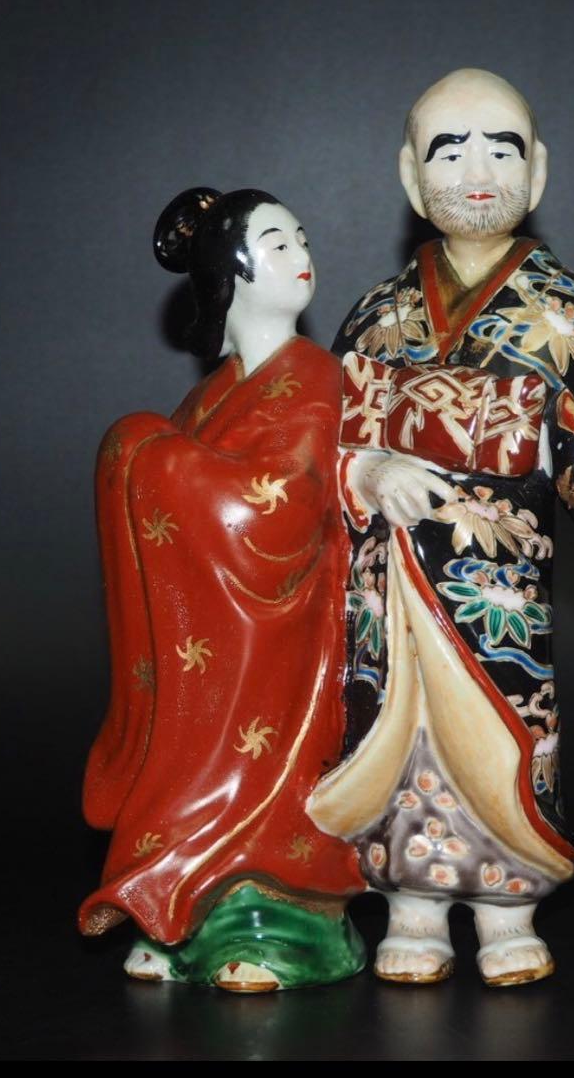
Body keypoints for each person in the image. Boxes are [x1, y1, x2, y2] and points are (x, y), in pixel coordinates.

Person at [307, 70, 574, 987]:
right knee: (392, 739)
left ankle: (507, 908)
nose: (476, 172)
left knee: (507, 734)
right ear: (410, 177)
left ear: (539, 171)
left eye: (501, 149)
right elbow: (316, 448)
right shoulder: (374, 317)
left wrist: (566, 444)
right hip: (388, 594)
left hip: (498, 594)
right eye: (448, 151)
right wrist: (366, 471)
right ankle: (411, 904)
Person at [79, 187, 365, 991]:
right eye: (277, 243)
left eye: (301, 237)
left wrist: (150, 456)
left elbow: (286, 501)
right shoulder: (208, 394)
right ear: (230, 272)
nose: (302, 255)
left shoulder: (313, 372)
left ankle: (274, 930)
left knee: (265, 774)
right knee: (189, 758)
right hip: (203, 639)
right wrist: (151, 455)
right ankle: (176, 920)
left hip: (280, 625)